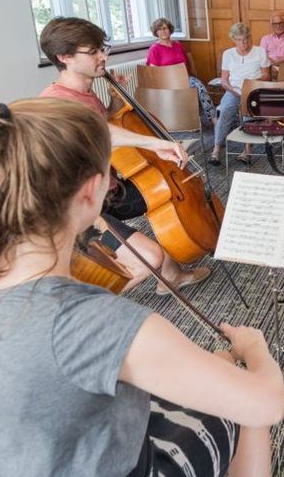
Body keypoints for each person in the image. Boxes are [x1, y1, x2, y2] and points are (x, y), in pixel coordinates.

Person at [0, 98, 284, 477]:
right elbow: (267, 404)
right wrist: (254, 348)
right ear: (90, 193)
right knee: (242, 385)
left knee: (214, 372)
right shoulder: (95, 321)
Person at [38, 16, 209, 293]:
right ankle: (81, 304)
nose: (102, 57)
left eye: (102, 49)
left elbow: (103, 119)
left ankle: (172, 277)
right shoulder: (56, 102)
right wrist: (156, 143)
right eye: (93, 51)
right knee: (147, 259)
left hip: (109, 190)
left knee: (166, 191)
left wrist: (115, 102)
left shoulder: (85, 91)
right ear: (64, 56)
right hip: (77, 207)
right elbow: (100, 131)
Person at [210, 22, 271, 166]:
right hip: (233, 91)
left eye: (245, 39)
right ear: (233, 39)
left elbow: (266, 76)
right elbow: (224, 80)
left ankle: (247, 151)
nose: (243, 43)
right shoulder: (228, 54)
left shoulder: (260, 51)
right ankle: (217, 149)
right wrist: (232, 89)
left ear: (249, 37)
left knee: (248, 114)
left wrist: (250, 84)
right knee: (224, 111)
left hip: (253, 90)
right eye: (238, 40)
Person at [145, 17, 217, 125]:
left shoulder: (178, 45)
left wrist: (189, 75)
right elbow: (153, 73)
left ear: (170, 29)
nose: (163, 31)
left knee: (200, 87)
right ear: (156, 32)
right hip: (167, 83)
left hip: (184, 78)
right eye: (159, 29)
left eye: (165, 28)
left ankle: (214, 120)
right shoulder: (154, 49)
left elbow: (186, 62)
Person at [259, 11, 284, 77]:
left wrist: (275, 63)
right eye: (275, 24)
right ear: (272, 25)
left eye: (280, 23)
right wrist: (271, 66)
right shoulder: (265, 39)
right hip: (268, 68)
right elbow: (262, 55)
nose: (278, 26)